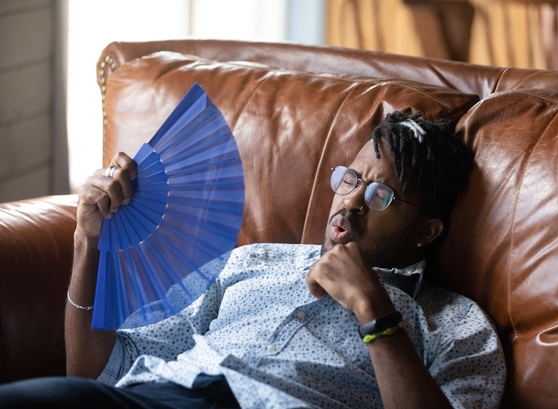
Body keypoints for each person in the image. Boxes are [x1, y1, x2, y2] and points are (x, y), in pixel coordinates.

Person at [0, 111, 506, 408]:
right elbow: (100, 369)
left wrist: (375, 314)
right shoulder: (255, 260)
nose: (350, 202)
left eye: (380, 196)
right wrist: (88, 244)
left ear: (427, 232)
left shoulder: (455, 325)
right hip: (158, 395)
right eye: (351, 179)